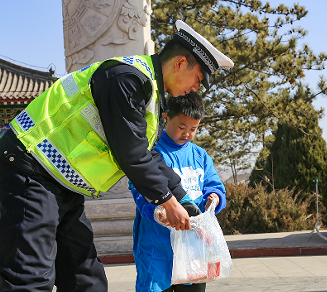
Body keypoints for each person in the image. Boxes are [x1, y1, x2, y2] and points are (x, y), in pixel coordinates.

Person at [0, 20, 233, 292]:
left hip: (63, 186)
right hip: (30, 172)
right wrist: (167, 201)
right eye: (198, 80)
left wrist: (183, 199)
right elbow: (130, 154)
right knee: (28, 278)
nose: (196, 89)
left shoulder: (150, 92)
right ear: (180, 63)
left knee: (86, 279)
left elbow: (148, 156)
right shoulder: (127, 78)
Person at [130, 91, 226, 292]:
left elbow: (213, 184)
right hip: (157, 244)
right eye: (182, 127)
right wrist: (157, 212)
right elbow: (140, 188)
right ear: (165, 118)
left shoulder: (200, 156)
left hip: (194, 247)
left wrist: (214, 197)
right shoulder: (151, 152)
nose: (187, 134)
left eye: (193, 129)